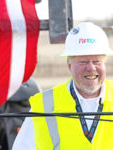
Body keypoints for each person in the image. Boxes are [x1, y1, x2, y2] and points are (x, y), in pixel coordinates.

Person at [12, 22, 113, 150]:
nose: (91, 68)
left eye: (97, 61)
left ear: (105, 63)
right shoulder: (44, 105)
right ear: (69, 65)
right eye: (83, 62)